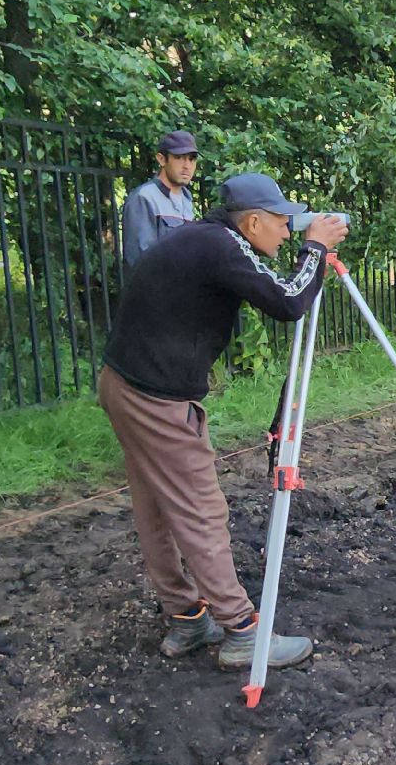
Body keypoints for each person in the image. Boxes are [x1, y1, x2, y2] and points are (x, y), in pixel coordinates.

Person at [98, 172, 350, 668]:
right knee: (199, 509)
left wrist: (307, 248)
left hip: (126, 384)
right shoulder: (220, 247)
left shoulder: (207, 238)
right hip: (155, 396)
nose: (287, 231)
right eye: (282, 222)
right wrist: (316, 249)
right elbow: (287, 302)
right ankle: (241, 632)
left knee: (157, 505)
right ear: (252, 221)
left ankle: (187, 619)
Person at [121, 130, 200, 268]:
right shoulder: (144, 197)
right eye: (179, 157)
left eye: (191, 159)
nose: (187, 166)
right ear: (161, 159)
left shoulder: (186, 199)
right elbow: (140, 260)